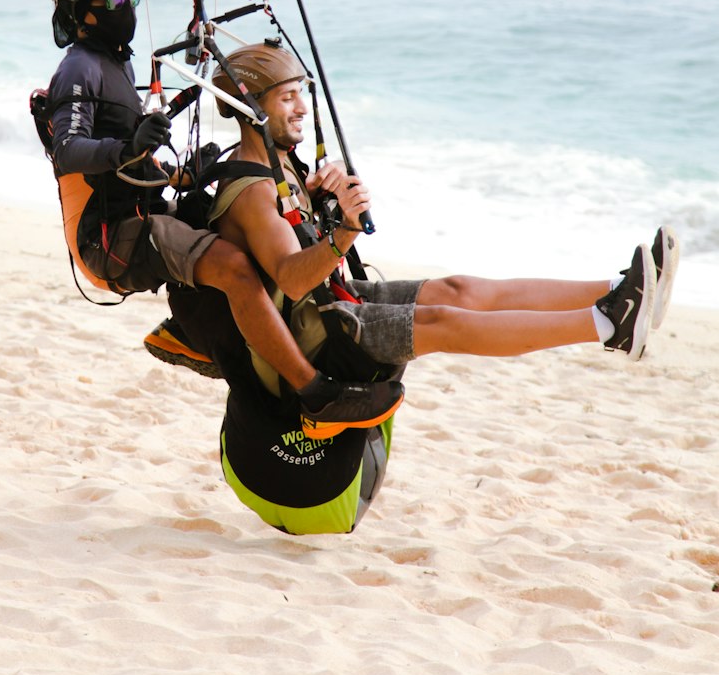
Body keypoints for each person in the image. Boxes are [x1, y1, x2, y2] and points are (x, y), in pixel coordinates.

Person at [167, 40, 679, 535]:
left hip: (333, 304)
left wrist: (325, 200)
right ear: (252, 109)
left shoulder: (281, 165)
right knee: (443, 323)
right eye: (287, 97)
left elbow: (302, 257)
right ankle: (608, 325)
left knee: (458, 290)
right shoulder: (253, 190)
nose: (302, 107)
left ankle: (619, 288)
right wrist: (344, 228)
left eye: (302, 92)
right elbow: (292, 277)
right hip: (316, 337)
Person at [38, 0, 402, 431]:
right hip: (108, 238)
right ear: (81, 12)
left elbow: (133, 140)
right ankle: (314, 392)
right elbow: (69, 149)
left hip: (145, 211)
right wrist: (127, 151)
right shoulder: (79, 68)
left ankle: (188, 330)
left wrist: (172, 152)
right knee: (233, 266)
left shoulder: (116, 64)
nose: (128, 10)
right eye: (116, 2)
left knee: (223, 209)